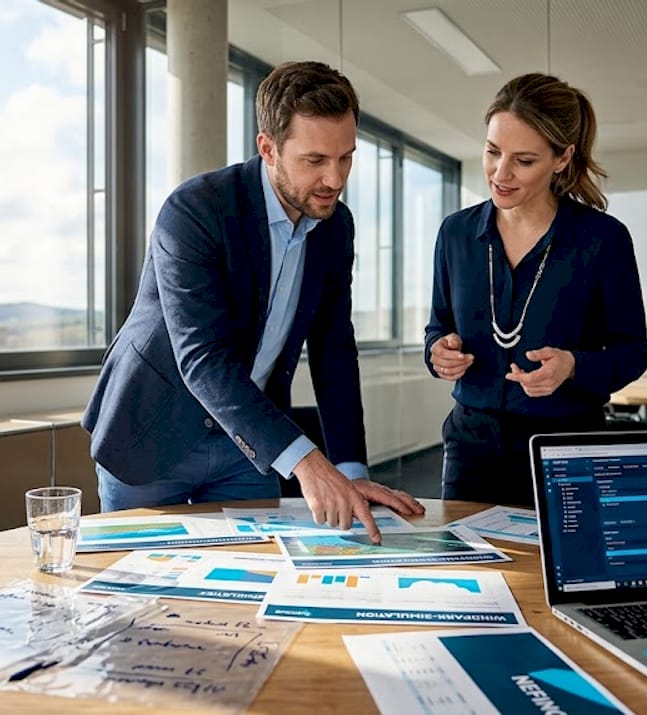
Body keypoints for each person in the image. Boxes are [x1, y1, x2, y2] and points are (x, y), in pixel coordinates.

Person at [83, 61, 423, 540]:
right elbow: (202, 358)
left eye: (345, 157)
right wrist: (308, 463)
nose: (334, 179)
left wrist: (349, 468)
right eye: (314, 160)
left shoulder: (336, 227)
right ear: (268, 148)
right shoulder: (195, 209)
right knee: (139, 575)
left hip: (249, 445)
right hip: (153, 430)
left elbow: (333, 349)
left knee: (254, 573)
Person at [424, 73, 647, 506]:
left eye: (524, 161)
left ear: (562, 158)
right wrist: (438, 350)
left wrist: (573, 366)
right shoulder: (455, 233)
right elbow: (437, 326)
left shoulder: (603, 240)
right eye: (493, 151)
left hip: (566, 450)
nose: (500, 173)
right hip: (470, 448)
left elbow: (632, 352)